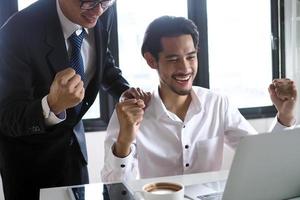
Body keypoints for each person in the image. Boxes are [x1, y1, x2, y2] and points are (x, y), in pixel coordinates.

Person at [101, 16, 297, 182]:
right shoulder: (129, 113)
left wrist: (285, 115)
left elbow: (261, 157)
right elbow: (113, 187)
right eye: (173, 59)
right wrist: (125, 140)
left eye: (190, 56)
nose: (185, 68)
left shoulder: (218, 104)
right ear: (151, 60)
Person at [0, 0, 149, 199]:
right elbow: (7, 117)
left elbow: (101, 60)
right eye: (89, 2)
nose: (97, 11)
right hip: (30, 162)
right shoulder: (16, 32)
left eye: (105, 2)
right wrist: (52, 105)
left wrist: (124, 91)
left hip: (75, 152)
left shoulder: (103, 13)